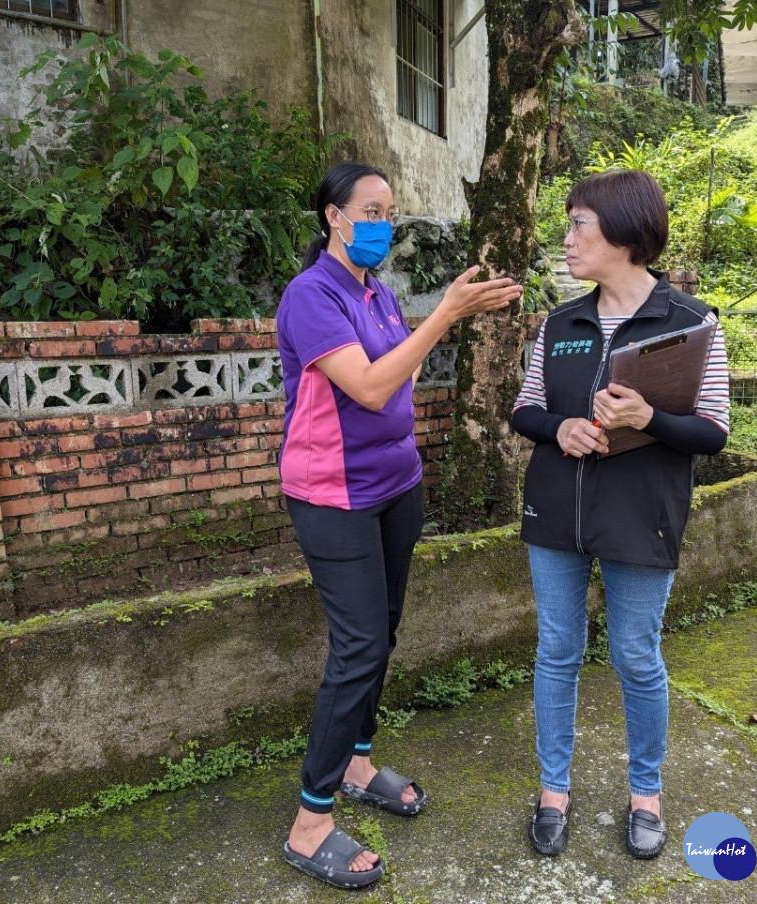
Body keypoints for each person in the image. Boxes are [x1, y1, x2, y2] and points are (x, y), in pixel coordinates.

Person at [277, 162, 523, 889]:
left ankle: (355, 762)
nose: (384, 220)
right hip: (335, 494)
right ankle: (309, 823)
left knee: (381, 633)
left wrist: (426, 330)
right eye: (372, 209)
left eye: (391, 209)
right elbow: (374, 382)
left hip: (396, 485)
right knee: (355, 649)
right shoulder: (310, 295)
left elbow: (400, 375)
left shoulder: (376, 292)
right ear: (333, 216)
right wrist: (444, 316)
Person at [510, 169, 730, 860]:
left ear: (627, 233)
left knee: (637, 656)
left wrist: (651, 417)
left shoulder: (691, 322)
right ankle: (553, 792)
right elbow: (525, 407)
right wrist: (559, 430)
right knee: (557, 652)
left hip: (643, 516)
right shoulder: (561, 322)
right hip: (557, 512)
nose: (567, 237)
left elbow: (714, 431)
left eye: (579, 223)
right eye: (569, 222)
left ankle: (645, 796)